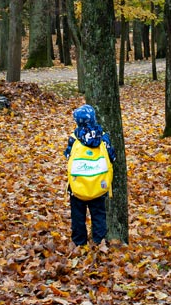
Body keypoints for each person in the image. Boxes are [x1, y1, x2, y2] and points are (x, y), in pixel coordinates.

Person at [63, 104, 114, 247]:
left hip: (77, 187)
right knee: (98, 215)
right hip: (99, 185)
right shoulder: (103, 137)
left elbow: (68, 155)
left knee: (78, 216)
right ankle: (99, 242)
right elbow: (112, 157)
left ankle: (79, 243)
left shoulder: (74, 138)